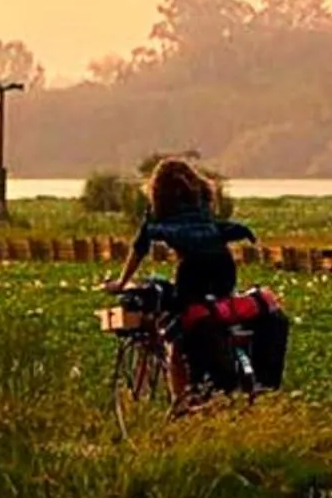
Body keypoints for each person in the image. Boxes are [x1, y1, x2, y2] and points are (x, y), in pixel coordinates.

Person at [101, 157, 257, 401]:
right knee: (215, 314)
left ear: (156, 189)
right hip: (224, 266)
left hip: (192, 269)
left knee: (176, 331)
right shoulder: (202, 201)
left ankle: (181, 401)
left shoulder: (160, 209)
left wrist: (121, 283)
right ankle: (224, 377)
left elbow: (139, 248)